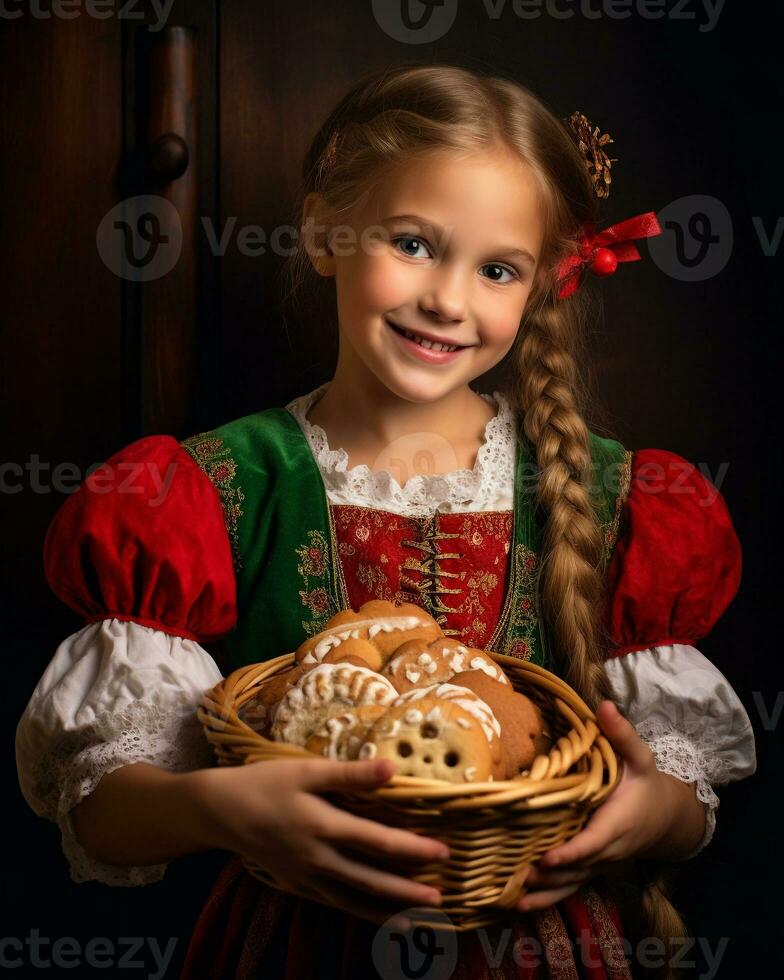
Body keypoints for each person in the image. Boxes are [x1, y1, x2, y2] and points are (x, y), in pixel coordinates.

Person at [15, 64, 756, 979]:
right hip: (288, 943)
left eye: (496, 269)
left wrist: (650, 813)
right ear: (324, 229)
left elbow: (685, 795)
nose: (448, 298)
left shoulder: (617, 502)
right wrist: (224, 808)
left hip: (540, 950)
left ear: (543, 285)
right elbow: (99, 806)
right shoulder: (208, 490)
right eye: (412, 243)